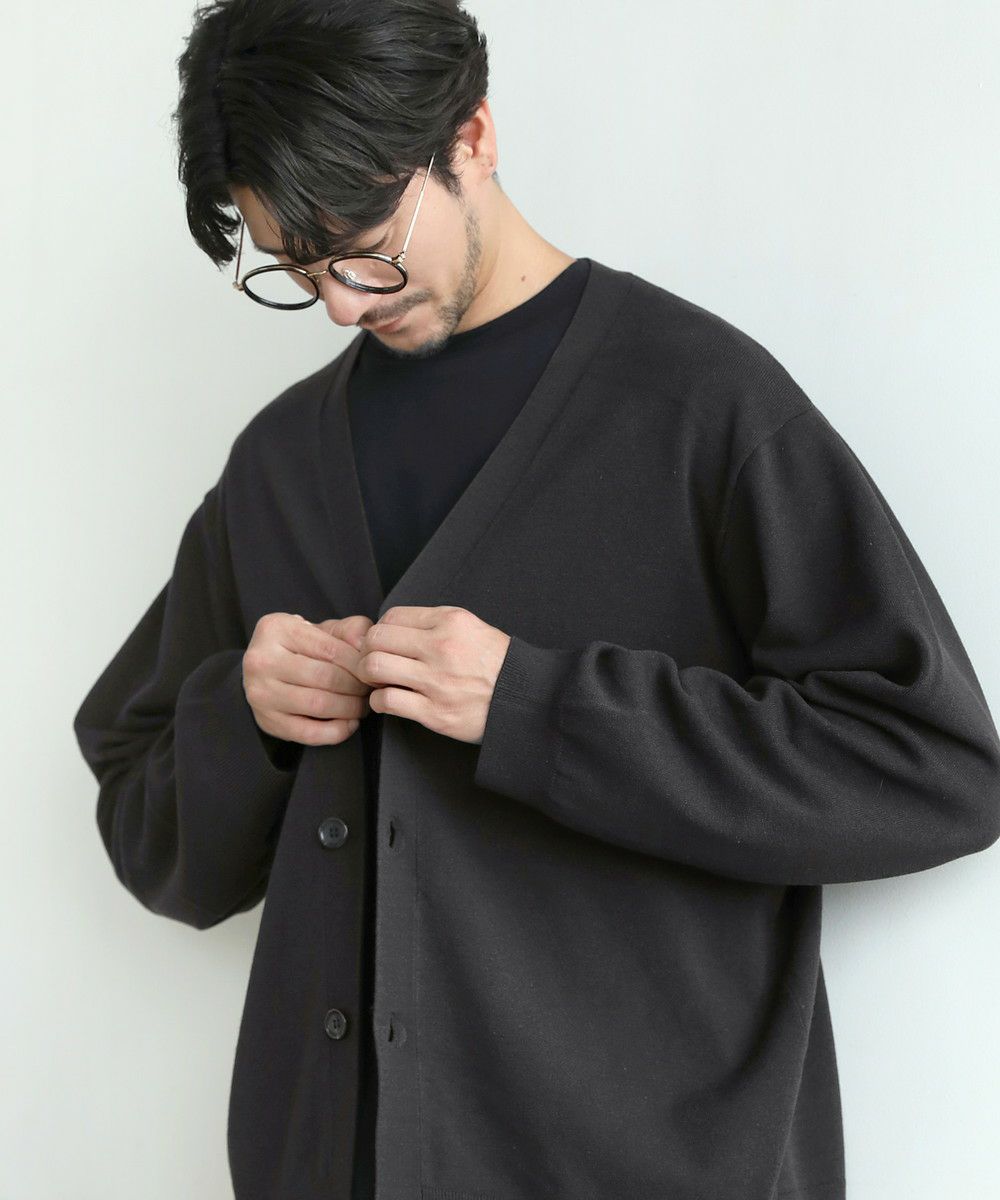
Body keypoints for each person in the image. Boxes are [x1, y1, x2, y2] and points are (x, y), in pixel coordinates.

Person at [73, 3, 1000, 1199]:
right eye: (295, 269)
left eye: (363, 245)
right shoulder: (279, 463)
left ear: (471, 136)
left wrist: (541, 706)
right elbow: (152, 837)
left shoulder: (700, 408)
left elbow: (933, 768)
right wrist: (245, 719)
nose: (343, 304)